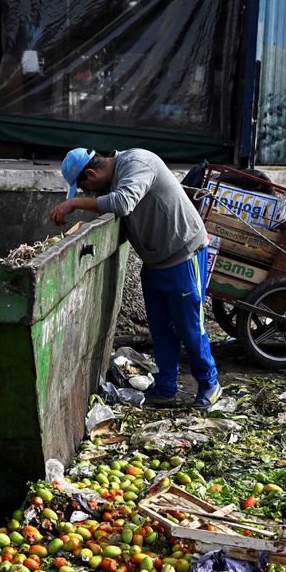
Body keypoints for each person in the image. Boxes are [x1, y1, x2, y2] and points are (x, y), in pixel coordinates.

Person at [50, 148, 221, 409]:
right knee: (161, 330)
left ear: (92, 173)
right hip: (154, 262)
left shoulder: (137, 163)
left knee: (190, 327)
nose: (88, 195)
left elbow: (122, 203)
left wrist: (73, 204)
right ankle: (166, 387)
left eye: (85, 188)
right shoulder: (118, 176)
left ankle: (210, 384)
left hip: (183, 254)